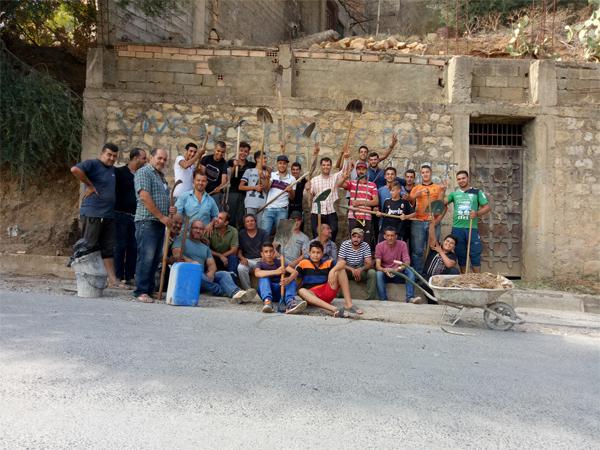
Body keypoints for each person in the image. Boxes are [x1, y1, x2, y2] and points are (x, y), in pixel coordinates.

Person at [70, 143, 122, 288]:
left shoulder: (112, 170)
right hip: (93, 212)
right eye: (109, 155)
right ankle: (83, 279)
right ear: (102, 153)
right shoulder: (93, 164)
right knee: (88, 246)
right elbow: (75, 169)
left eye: (114, 156)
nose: (111, 158)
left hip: (108, 214)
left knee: (108, 248)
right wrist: (90, 185)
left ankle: (113, 280)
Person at [172, 220, 256, 303]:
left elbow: (212, 264)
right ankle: (224, 291)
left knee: (223, 274)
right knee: (197, 273)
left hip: (204, 277)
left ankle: (236, 293)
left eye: (201, 229)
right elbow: (177, 254)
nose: (198, 231)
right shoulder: (182, 240)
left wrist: (211, 273)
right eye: (195, 228)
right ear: (190, 229)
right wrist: (191, 262)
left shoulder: (205, 247)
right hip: (188, 275)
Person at [133, 148, 174, 303]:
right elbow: (144, 196)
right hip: (147, 221)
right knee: (146, 257)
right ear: (151, 157)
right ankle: (141, 291)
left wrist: (170, 210)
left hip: (158, 222)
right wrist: (162, 217)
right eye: (159, 158)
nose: (162, 161)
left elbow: (162, 198)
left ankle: (149, 290)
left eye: (164, 159)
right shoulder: (144, 172)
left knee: (155, 258)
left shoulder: (161, 177)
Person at [293, 241, 363, 317]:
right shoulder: (303, 263)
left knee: (340, 270)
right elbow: (295, 277)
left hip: (327, 291)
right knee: (301, 291)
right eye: (313, 252)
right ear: (309, 253)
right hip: (312, 295)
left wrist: (332, 271)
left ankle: (349, 304)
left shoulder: (327, 262)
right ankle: (334, 309)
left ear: (322, 254)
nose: (315, 255)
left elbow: (342, 262)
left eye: (318, 252)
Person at [444, 170, 491, 273]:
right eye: (459, 179)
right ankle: (464, 278)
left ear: (468, 178)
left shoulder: (477, 192)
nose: (461, 181)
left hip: (471, 228)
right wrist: (442, 191)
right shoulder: (454, 194)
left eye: (463, 178)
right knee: (461, 254)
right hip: (457, 229)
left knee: (475, 254)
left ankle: (477, 279)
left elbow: (487, 207)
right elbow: (442, 203)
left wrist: (477, 213)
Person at [113, 147, 147, 286]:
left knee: (133, 247)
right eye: (143, 158)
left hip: (136, 217)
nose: (145, 161)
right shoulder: (119, 172)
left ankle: (129, 276)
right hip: (120, 215)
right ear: (135, 158)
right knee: (120, 246)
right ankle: (118, 276)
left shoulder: (141, 175)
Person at [305, 144, 348, 240]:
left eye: (328, 165)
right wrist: (308, 190)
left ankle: (329, 249)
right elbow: (309, 200)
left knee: (333, 233)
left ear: (331, 166)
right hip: (317, 212)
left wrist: (345, 158)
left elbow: (344, 171)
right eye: (324, 165)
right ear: (321, 166)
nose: (326, 167)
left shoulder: (335, 178)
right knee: (317, 236)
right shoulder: (314, 180)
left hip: (331, 212)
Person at [409, 165, 447, 274]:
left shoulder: (437, 188)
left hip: (433, 223)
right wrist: (416, 195)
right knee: (417, 250)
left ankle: (430, 274)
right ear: (421, 174)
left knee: (433, 248)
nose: (425, 174)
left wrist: (443, 191)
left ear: (431, 173)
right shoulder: (416, 188)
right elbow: (410, 202)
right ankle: (418, 275)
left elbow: (441, 205)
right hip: (418, 222)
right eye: (423, 172)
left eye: (427, 172)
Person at [254, 242, 307, 314]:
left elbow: (295, 272)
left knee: (291, 280)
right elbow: (257, 273)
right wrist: (276, 271)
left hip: (281, 291)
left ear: (274, 253)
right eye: (266, 252)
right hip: (267, 291)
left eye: (271, 251)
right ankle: (268, 303)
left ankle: (290, 303)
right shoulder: (260, 264)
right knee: (263, 278)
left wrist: (289, 279)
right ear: (262, 254)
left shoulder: (279, 262)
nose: (269, 254)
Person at [375, 227, 421, 303]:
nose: (390, 238)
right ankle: (383, 300)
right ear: (384, 236)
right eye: (388, 235)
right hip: (386, 274)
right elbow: (378, 266)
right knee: (378, 273)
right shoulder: (379, 246)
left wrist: (397, 269)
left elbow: (407, 262)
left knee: (410, 270)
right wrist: (385, 270)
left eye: (392, 235)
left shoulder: (402, 244)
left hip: (399, 273)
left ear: (396, 236)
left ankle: (410, 298)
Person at [339, 160, 379, 248]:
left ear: (367, 170)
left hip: (366, 217)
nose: (361, 171)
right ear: (356, 171)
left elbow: (376, 201)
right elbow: (339, 184)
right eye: (359, 169)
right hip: (353, 217)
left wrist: (359, 202)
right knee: (353, 241)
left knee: (366, 242)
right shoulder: (352, 183)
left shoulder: (372, 185)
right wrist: (344, 177)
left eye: (363, 169)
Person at [337, 228, 377, 300]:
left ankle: (370, 298)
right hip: (348, 270)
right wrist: (352, 269)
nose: (356, 239)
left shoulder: (365, 245)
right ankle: (340, 297)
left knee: (372, 273)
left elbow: (369, 263)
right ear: (351, 237)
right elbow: (339, 262)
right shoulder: (345, 244)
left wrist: (360, 269)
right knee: (340, 271)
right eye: (354, 236)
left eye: (359, 237)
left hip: (361, 269)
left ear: (362, 238)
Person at [261, 154, 295, 235]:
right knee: (264, 233)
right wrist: (267, 179)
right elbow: (266, 189)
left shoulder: (292, 179)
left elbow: (292, 197)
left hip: (282, 210)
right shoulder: (272, 175)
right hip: (269, 208)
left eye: (284, 163)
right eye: (280, 163)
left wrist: (290, 191)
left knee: (281, 235)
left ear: (287, 165)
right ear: (277, 164)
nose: (282, 165)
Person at [237, 214, 270, 290]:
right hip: (248, 260)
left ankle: (265, 290)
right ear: (245, 224)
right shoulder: (241, 234)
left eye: (252, 221)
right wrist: (242, 258)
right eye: (247, 221)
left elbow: (266, 249)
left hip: (261, 259)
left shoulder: (263, 233)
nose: (250, 223)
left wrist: (264, 259)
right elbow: (239, 250)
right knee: (241, 268)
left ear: (255, 222)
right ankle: (248, 290)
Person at [227, 141, 255, 228]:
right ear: (237, 151)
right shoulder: (230, 162)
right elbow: (228, 178)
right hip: (232, 192)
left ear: (248, 153)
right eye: (241, 150)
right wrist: (234, 167)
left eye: (245, 151)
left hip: (245, 194)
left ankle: (241, 234)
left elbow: (262, 167)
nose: (243, 153)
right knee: (231, 215)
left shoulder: (251, 165)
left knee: (242, 217)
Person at [239, 150, 268, 224]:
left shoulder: (267, 173)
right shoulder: (249, 171)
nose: (266, 160)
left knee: (260, 227)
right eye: (264, 158)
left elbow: (267, 189)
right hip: (250, 203)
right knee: (250, 225)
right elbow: (241, 187)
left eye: (266, 158)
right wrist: (254, 188)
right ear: (257, 159)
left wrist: (262, 177)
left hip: (262, 204)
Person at [199, 140, 228, 210]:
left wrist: (219, 187)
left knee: (215, 212)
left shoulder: (224, 164)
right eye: (218, 151)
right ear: (214, 149)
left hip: (215, 193)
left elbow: (224, 181)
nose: (220, 153)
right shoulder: (206, 159)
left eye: (222, 152)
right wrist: (202, 189)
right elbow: (201, 174)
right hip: (203, 191)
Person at [288, 161, 306, 227]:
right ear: (291, 170)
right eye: (293, 169)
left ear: (300, 171)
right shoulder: (288, 180)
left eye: (297, 169)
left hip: (299, 208)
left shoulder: (303, 181)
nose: (295, 171)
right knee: (288, 227)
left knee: (299, 227)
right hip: (289, 208)